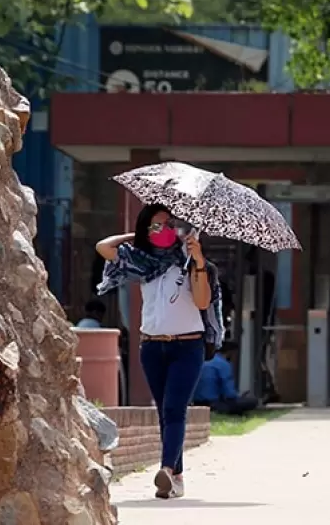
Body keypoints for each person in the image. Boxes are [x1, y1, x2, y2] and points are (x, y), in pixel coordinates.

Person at [95, 204, 218, 500]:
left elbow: (202, 303)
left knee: (175, 409)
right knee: (165, 412)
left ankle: (165, 469)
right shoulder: (143, 262)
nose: (162, 230)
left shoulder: (192, 263)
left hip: (187, 346)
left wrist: (197, 257)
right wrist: (138, 236)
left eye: (167, 224)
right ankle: (176, 478)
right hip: (151, 346)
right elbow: (103, 247)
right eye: (155, 226)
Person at [193, 343, 259, 415]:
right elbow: (229, 394)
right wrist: (240, 396)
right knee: (252, 401)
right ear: (231, 353)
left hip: (197, 402)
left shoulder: (204, 361)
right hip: (214, 403)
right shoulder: (223, 364)